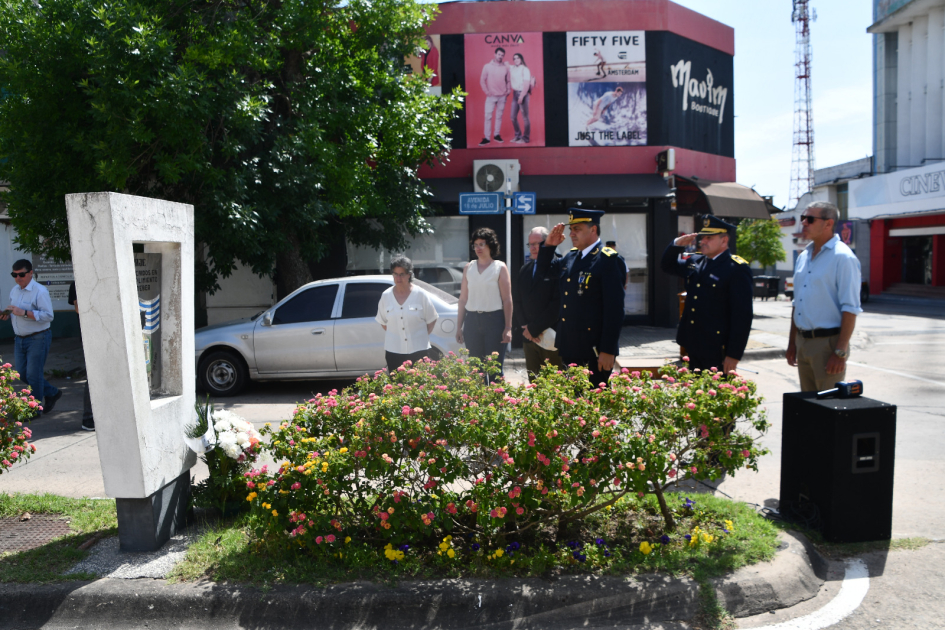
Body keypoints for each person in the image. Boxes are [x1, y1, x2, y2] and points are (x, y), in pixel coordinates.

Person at [536, 209, 625, 387]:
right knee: (574, 404)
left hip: (593, 348)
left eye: (577, 229)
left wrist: (608, 349)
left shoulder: (608, 260)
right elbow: (542, 272)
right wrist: (549, 247)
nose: (571, 234)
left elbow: (614, 310)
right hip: (569, 344)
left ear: (593, 230)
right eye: (571, 229)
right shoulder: (571, 257)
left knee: (594, 405)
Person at [660, 216, 753, 375]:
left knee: (715, 396)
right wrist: (676, 245)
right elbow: (667, 266)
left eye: (709, 238)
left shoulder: (736, 268)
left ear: (724, 241)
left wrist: (733, 354)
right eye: (703, 237)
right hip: (692, 344)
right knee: (695, 396)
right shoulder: (697, 261)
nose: (703, 241)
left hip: (717, 347)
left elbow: (742, 316)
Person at [786, 201, 862, 391]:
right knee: (808, 407)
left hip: (828, 345)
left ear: (828, 224)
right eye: (802, 218)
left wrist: (840, 352)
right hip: (803, 342)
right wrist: (792, 343)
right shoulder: (804, 256)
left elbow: (850, 308)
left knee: (828, 409)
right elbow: (798, 302)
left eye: (810, 219)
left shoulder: (843, 258)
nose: (804, 223)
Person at [0, 259, 60, 416]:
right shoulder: (15, 290)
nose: (18, 278)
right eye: (15, 275)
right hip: (19, 338)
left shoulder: (40, 291)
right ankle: (52, 392)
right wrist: (8, 314)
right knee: (22, 373)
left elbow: (48, 316)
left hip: (38, 337)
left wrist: (24, 313)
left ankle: (35, 409)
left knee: (34, 374)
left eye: (21, 274)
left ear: (30, 273)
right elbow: (16, 312)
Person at [456, 227, 513, 375]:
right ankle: (478, 399)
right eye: (475, 245)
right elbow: (462, 299)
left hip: (494, 320)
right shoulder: (469, 267)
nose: (478, 248)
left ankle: (497, 398)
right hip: (472, 321)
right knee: (475, 369)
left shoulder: (499, 267)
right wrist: (459, 327)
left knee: (493, 368)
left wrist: (508, 327)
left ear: (490, 245)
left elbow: (507, 299)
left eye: (482, 244)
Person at [513, 227, 564, 380]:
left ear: (547, 243)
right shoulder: (525, 269)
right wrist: (526, 328)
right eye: (531, 244)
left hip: (551, 336)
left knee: (556, 386)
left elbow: (557, 304)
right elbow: (517, 300)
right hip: (529, 338)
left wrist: (535, 329)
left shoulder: (558, 267)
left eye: (538, 244)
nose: (534, 248)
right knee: (535, 384)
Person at [376, 256, 439, 373]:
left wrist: (419, 336)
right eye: (395, 274)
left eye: (402, 274)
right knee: (396, 388)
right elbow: (383, 322)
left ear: (409, 275)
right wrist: (397, 334)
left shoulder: (421, 294)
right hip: (393, 352)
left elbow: (432, 319)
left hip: (419, 351)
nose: (398, 278)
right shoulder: (386, 296)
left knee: (419, 386)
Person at [68, 281, 94, 430]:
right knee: (92, 378)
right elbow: (79, 309)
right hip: (90, 337)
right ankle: (88, 418)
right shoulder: (77, 283)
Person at [479, 47, 511, 146]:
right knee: (488, 117)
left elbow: (508, 80)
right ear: (495, 54)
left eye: (502, 55)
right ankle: (487, 138)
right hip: (491, 96)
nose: (500, 56)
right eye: (499, 54)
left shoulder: (506, 67)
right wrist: (487, 92)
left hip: (502, 96)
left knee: (499, 116)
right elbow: (482, 80)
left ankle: (497, 135)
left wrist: (508, 90)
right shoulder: (487, 66)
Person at [509, 53, 533, 144]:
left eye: (517, 58)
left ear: (521, 59)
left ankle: (526, 138)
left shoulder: (525, 69)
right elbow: (505, 64)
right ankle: (518, 136)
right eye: (514, 58)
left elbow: (526, 84)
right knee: (513, 117)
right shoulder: (513, 68)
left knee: (525, 118)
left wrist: (522, 96)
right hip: (515, 93)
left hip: (522, 93)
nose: (516, 60)